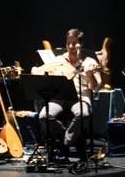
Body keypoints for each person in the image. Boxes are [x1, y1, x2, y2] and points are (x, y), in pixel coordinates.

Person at [32, 28, 101, 160]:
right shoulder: (58, 60)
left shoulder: (89, 62)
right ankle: (73, 140)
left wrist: (90, 75)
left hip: (80, 99)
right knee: (44, 115)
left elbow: (96, 88)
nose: (70, 46)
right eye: (68, 43)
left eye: (74, 43)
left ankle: (64, 143)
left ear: (81, 44)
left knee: (84, 114)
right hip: (59, 99)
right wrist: (40, 72)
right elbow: (36, 70)